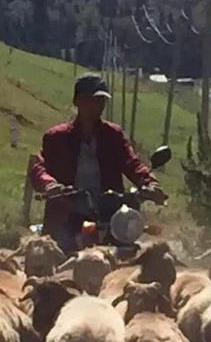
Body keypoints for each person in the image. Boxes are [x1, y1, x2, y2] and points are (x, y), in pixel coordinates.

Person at [29, 73, 167, 252]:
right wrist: (50, 186)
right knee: (55, 254)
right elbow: (39, 167)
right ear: (77, 101)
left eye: (101, 101)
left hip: (110, 213)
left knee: (134, 251)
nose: (96, 106)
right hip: (67, 214)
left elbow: (132, 163)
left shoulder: (113, 135)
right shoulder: (56, 138)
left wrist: (149, 183)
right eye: (90, 100)